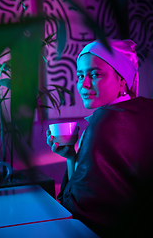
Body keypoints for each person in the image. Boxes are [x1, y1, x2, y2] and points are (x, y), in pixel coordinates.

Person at [46, 39, 153, 238]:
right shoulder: (146, 109)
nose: (84, 84)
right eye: (79, 76)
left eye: (95, 74)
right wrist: (72, 156)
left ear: (122, 80)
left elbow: (75, 210)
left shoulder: (105, 121)